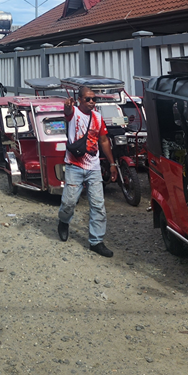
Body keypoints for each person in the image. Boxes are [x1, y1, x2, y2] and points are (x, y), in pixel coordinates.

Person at [57, 86, 117, 257]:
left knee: (98, 205)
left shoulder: (98, 117)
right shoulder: (73, 113)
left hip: (94, 168)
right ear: (80, 99)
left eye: (94, 99)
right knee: (69, 202)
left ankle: (96, 241)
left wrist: (112, 164)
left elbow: (104, 140)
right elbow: (67, 111)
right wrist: (68, 105)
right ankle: (63, 221)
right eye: (88, 99)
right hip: (74, 166)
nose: (91, 102)